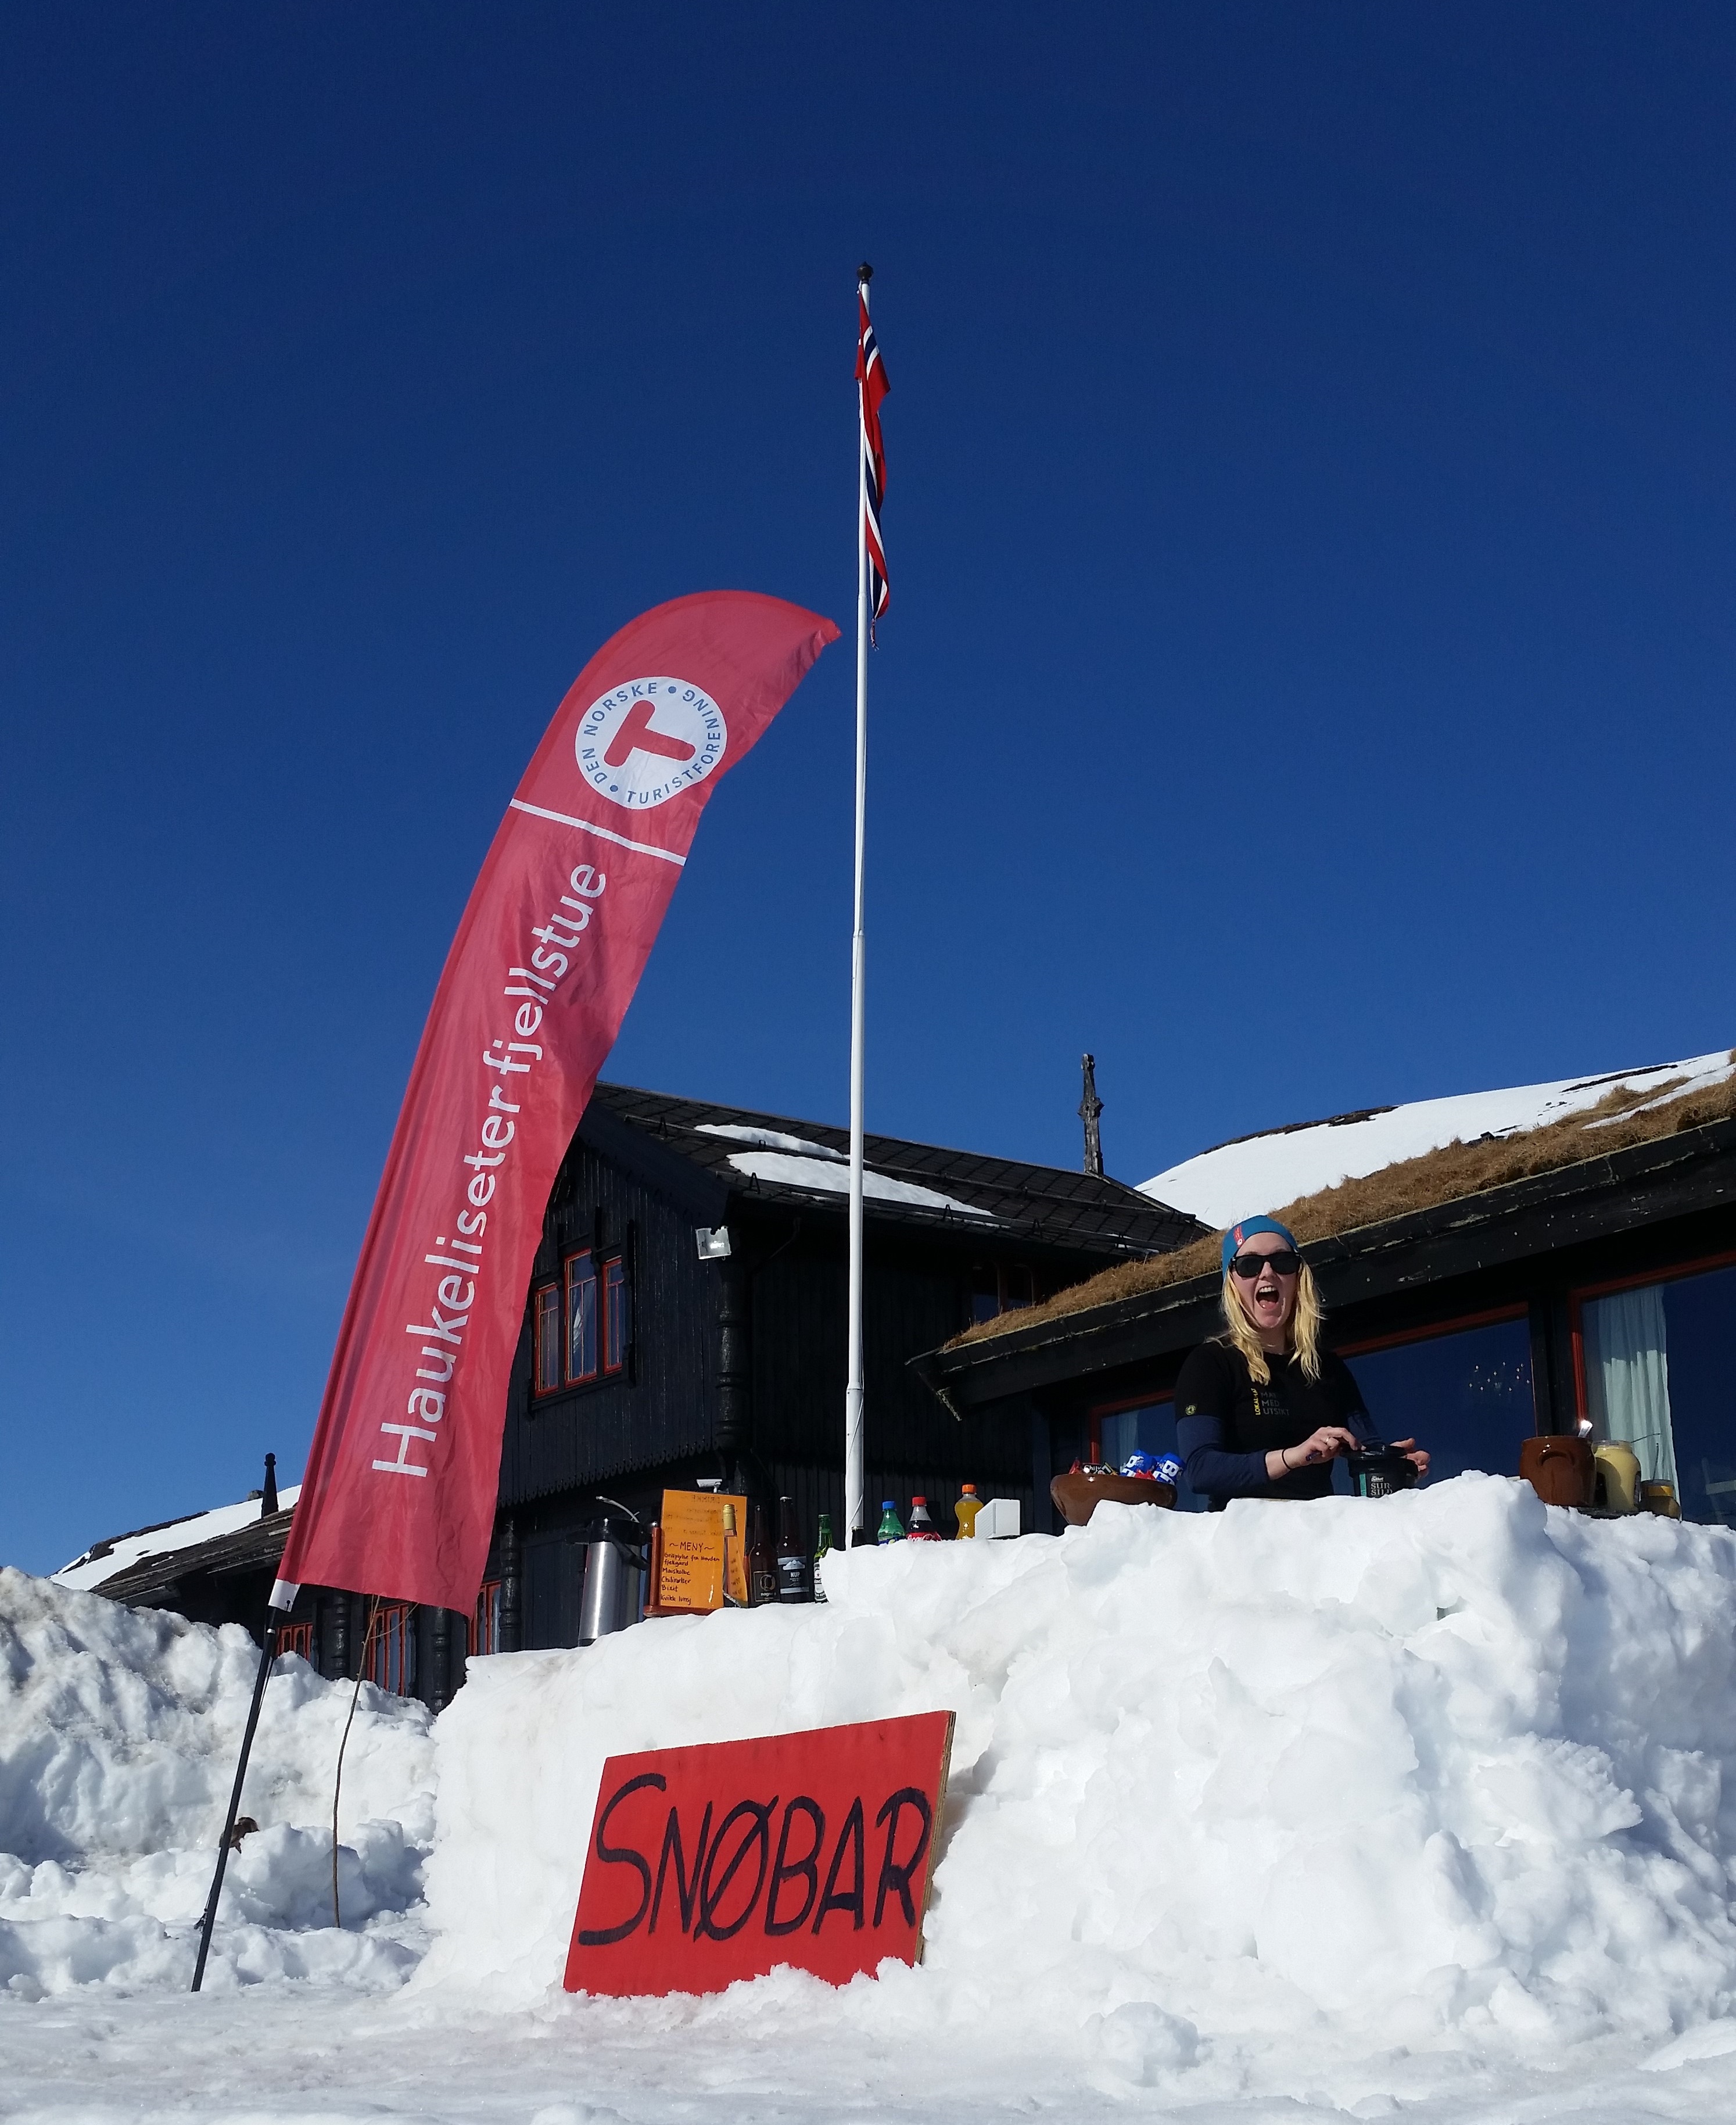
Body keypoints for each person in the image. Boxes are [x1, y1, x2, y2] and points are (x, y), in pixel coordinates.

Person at [1173, 1216, 1429, 1508]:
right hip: (1243, 1539)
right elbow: (1201, 1470)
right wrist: (1294, 1456)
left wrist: (1396, 1462)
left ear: (1298, 1277)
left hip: (1315, 1535)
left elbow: (1367, 1449)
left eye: (1282, 1262)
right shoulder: (1211, 1363)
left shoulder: (1327, 1368)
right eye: (1249, 1265)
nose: (1267, 1272)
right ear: (1231, 1282)